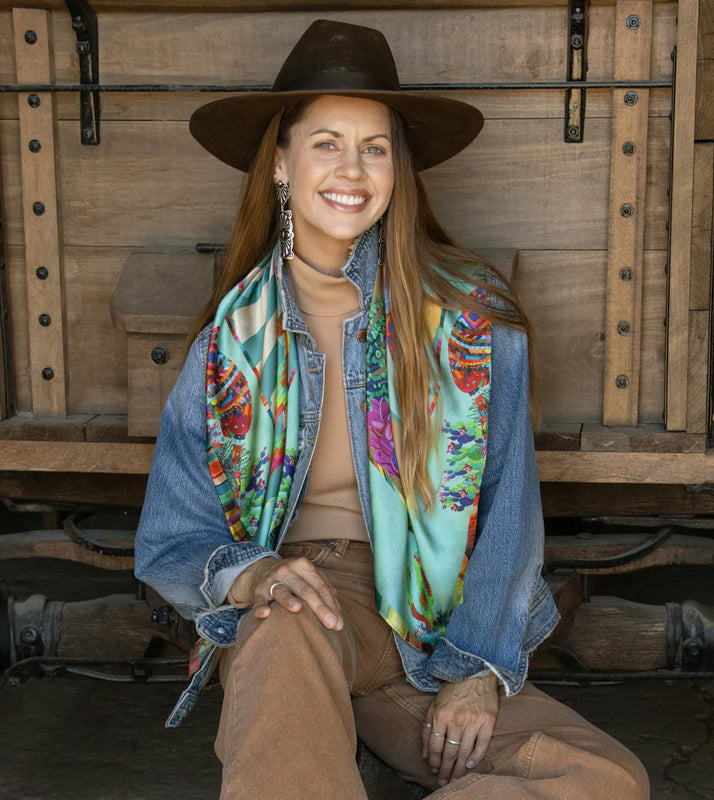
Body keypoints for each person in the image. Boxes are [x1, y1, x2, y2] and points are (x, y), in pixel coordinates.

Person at [135, 19, 650, 800]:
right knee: (283, 625)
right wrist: (256, 575)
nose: (353, 169)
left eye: (375, 147)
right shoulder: (228, 343)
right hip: (307, 609)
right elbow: (174, 531)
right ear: (280, 163)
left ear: (399, 168)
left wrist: (477, 670)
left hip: (430, 626)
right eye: (327, 143)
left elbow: (508, 505)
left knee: (604, 779)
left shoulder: (473, 318)